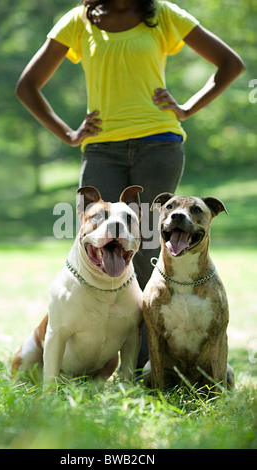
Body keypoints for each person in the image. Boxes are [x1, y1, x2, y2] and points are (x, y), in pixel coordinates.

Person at [16, 0, 244, 367]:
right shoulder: (79, 21)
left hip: (160, 146)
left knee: (149, 247)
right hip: (102, 150)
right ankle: (84, 356)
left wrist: (186, 108)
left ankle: (142, 367)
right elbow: (27, 85)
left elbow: (230, 64)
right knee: (95, 242)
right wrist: (68, 134)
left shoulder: (164, 15)